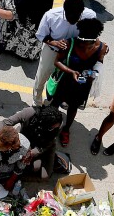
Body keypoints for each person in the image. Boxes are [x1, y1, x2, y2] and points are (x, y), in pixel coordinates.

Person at [46, 18, 107, 147]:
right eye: (81, 44)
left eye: (88, 46)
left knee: (73, 107)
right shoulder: (68, 44)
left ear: (94, 41)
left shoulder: (102, 48)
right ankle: (49, 125)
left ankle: (66, 129)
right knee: (55, 104)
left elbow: (99, 63)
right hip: (64, 82)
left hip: (83, 85)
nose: (84, 47)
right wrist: (71, 72)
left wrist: (94, 73)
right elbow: (57, 62)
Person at [32, 0, 97, 106]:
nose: (73, 21)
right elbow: (41, 35)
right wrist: (54, 43)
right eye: (69, 17)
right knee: (42, 77)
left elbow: (92, 35)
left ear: (82, 13)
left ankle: (54, 101)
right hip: (52, 50)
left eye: (76, 18)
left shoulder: (90, 16)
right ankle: (36, 103)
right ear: (64, 10)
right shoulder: (50, 16)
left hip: (73, 54)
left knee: (65, 80)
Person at [0, 105, 63, 179]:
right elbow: (7, 122)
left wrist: (32, 153)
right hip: (24, 138)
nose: (53, 129)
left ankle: (55, 158)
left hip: (44, 145)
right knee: (15, 169)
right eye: (51, 127)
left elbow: (47, 144)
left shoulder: (57, 126)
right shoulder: (29, 113)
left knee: (45, 176)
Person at [0, 125, 30, 195]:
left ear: (9, 148)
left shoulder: (25, 148)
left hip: (11, 171)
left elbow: (21, 165)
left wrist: (12, 180)